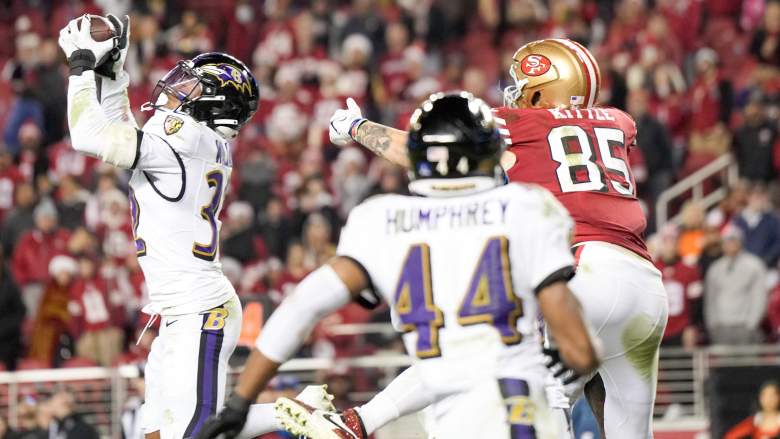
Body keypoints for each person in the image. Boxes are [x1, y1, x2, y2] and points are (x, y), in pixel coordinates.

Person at [195, 92, 599, 439]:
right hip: (522, 411)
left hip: (450, 419)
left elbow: (304, 305)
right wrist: (582, 357)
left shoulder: (383, 220)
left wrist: (239, 403)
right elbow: (579, 349)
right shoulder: (528, 207)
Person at [329, 39, 668, 438]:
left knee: (510, 369)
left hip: (579, 271)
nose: (517, 96)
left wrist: (357, 127)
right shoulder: (619, 120)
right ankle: (363, 420)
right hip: (645, 286)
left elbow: (429, 152)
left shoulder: (522, 123)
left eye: (525, 87)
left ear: (544, 89)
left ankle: (361, 421)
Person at [58, 14, 332, 439]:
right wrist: (113, 71)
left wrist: (80, 66)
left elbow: (89, 137)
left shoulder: (183, 136)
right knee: (157, 434)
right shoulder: (195, 139)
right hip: (179, 310)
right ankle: (289, 412)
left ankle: (291, 413)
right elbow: (120, 129)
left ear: (214, 104)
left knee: (195, 435)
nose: (176, 87)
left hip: (200, 309)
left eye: (193, 86)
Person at [705, 227, 768, 345]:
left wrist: (752, 324)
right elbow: (710, 299)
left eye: (733, 240)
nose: (730, 244)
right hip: (721, 326)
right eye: (727, 241)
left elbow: (759, 297)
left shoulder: (754, 265)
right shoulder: (715, 268)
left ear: (741, 242)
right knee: (723, 363)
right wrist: (712, 324)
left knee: (746, 362)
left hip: (744, 325)